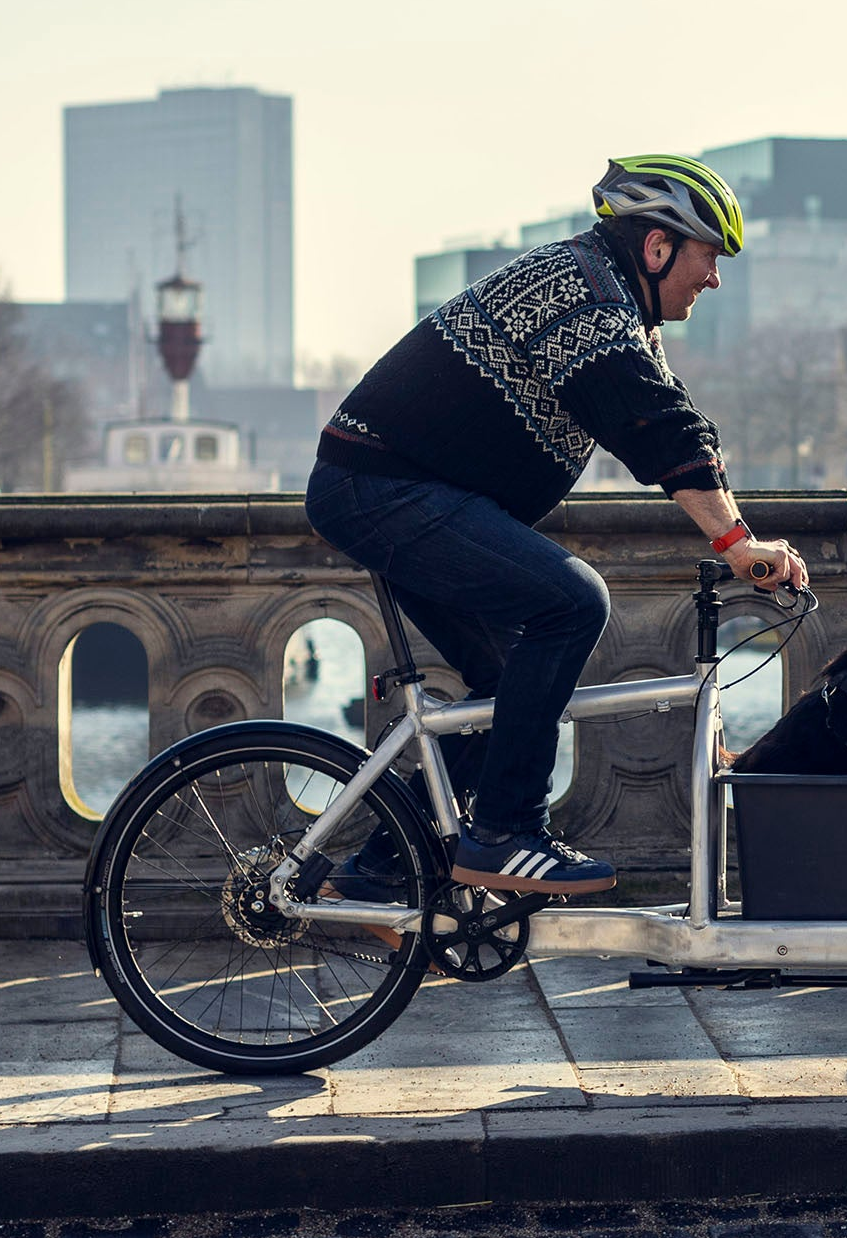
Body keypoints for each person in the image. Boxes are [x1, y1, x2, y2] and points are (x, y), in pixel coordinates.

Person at [305, 154, 808, 896]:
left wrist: (735, 528)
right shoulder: (585, 300)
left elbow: (677, 421)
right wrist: (737, 543)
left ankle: (383, 869)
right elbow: (655, 428)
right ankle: (506, 833)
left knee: (508, 688)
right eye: (708, 256)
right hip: (381, 490)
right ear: (658, 246)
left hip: (400, 491)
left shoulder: (610, 300)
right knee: (573, 602)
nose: (715, 278)